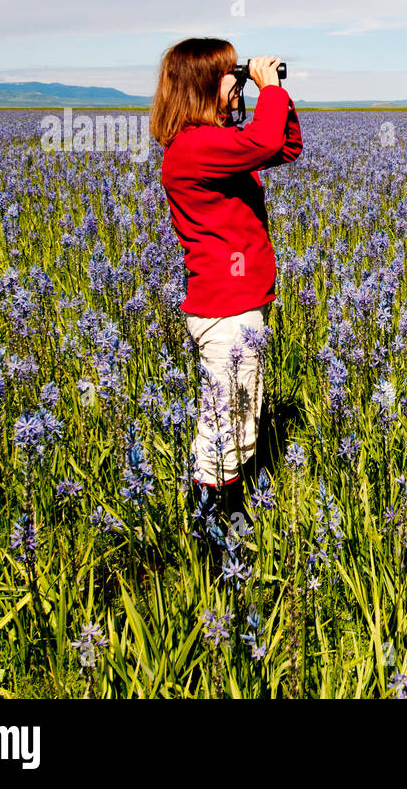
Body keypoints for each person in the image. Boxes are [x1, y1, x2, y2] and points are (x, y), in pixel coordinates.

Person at [151, 38, 302, 536]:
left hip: (240, 306)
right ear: (200, 87)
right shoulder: (195, 148)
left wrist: (279, 95)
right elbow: (262, 142)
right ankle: (216, 542)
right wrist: (268, 92)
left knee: (238, 424)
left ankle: (227, 524)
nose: (239, 83)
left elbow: (284, 146)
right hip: (227, 312)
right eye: (229, 75)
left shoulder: (214, 146)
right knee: (226, 428)